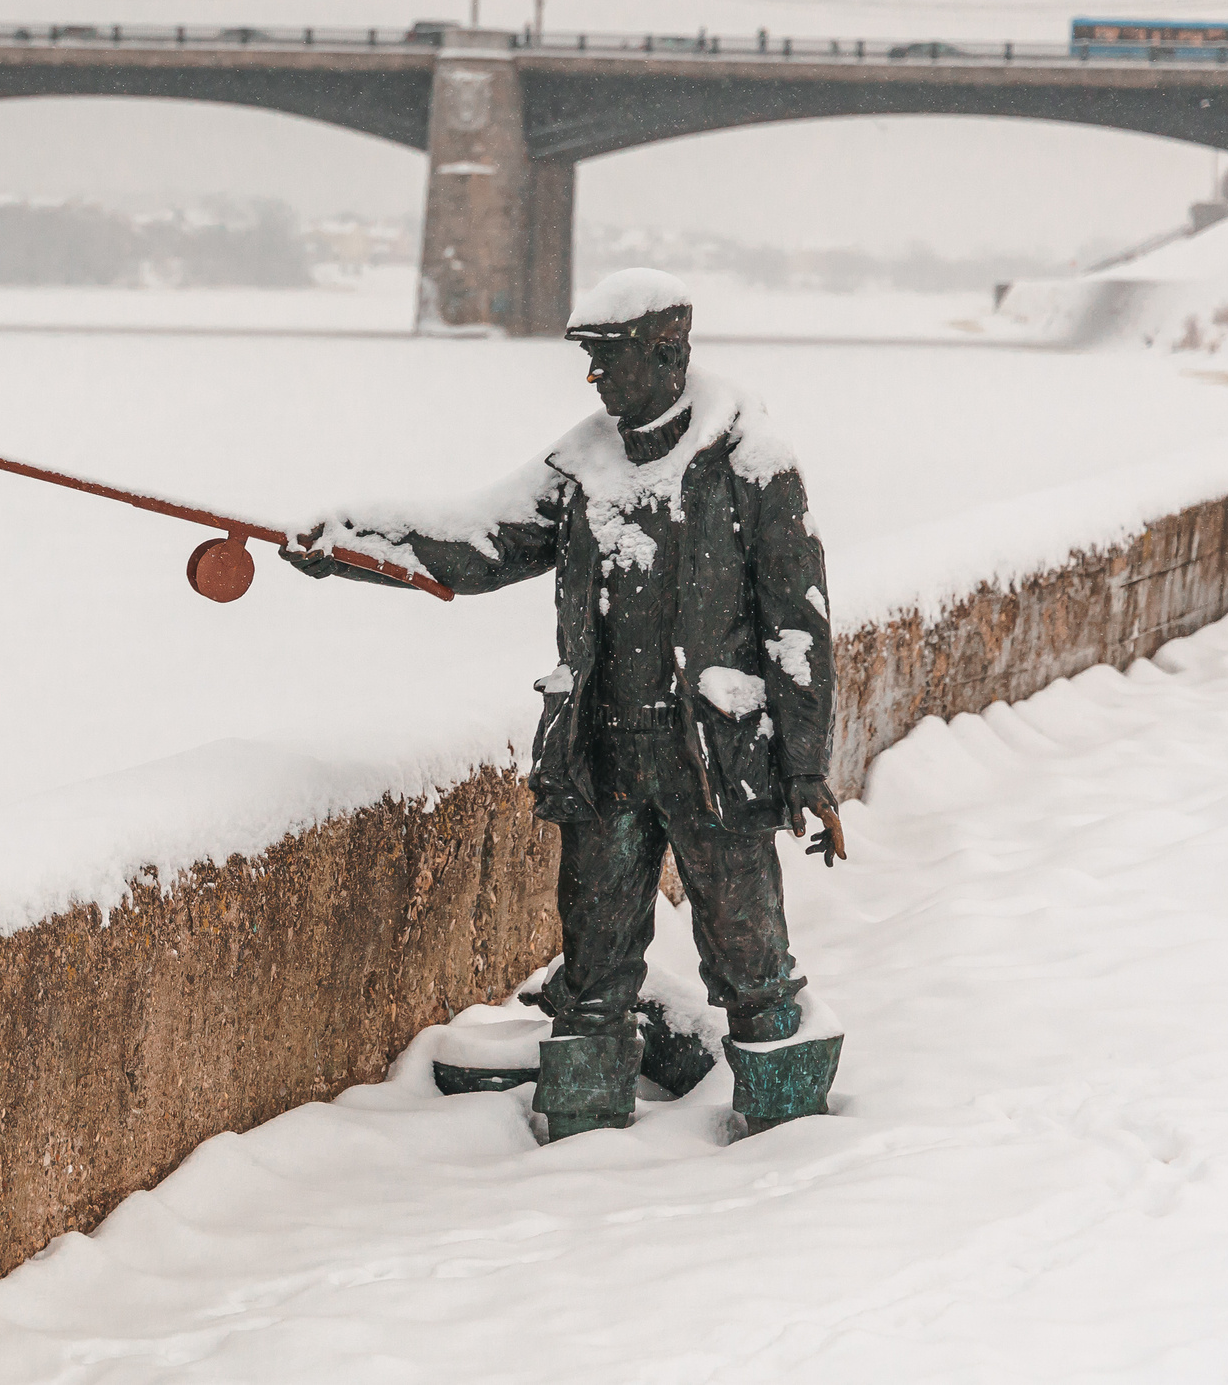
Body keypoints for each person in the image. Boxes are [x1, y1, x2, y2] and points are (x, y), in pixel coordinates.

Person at [283, 267, 847, 1138]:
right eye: (591, 362)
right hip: (604, 756)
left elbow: (797, 628)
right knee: (591, 973)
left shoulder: (750, 464)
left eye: (611, 360)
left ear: (670, 354)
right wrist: (355, 542)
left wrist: (805, 766)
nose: (597, 380)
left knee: (754, 964)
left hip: (716, 761)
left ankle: (788, 1136)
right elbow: (479, 545)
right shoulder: (581, 468)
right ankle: (583, 1140)